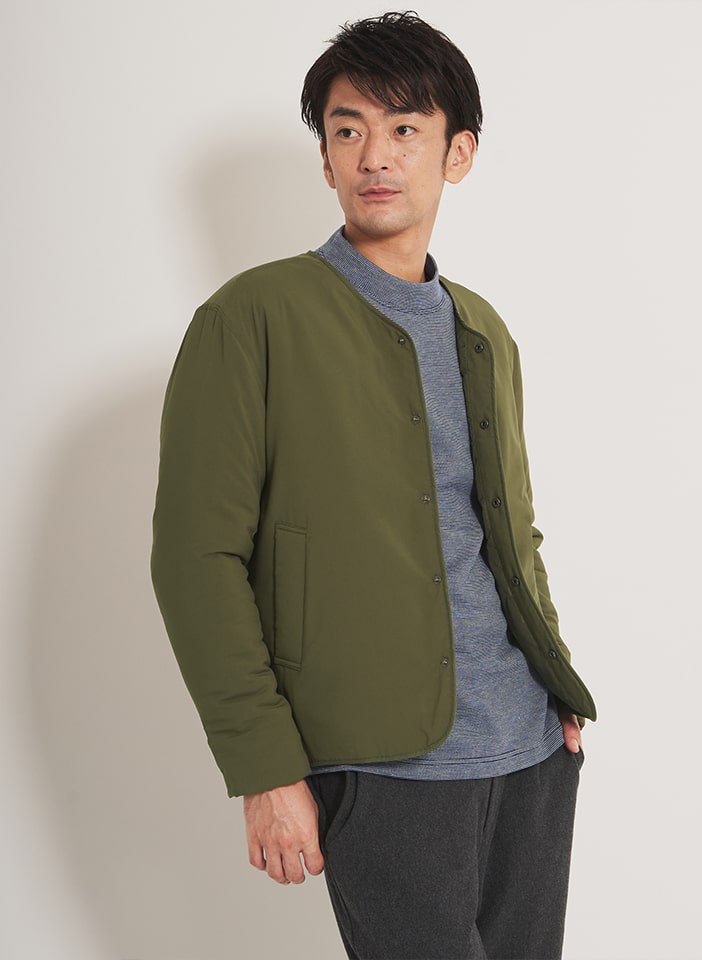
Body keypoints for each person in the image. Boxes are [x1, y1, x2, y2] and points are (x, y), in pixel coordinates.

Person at [151, 11, 596, 959]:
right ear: (325, 158)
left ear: (457, 152)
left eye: (405, 128)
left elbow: (512, 532)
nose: (375, 156)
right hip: (384, 768)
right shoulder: (251, 318)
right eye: (348, 130)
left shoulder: (482, 328)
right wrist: (263, 767)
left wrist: (555, 680)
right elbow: (196, 560)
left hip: (528, 751)